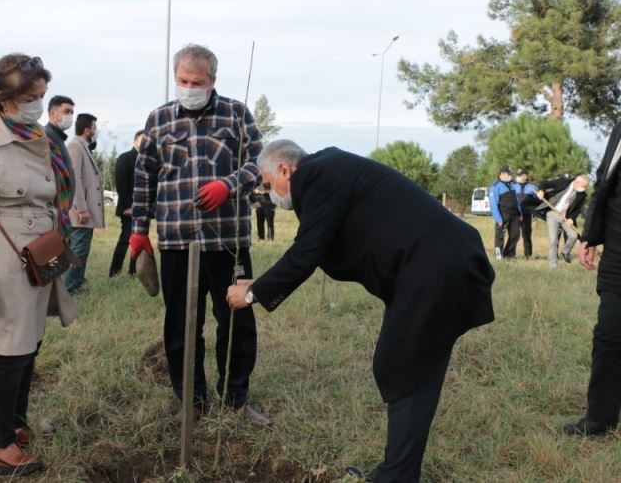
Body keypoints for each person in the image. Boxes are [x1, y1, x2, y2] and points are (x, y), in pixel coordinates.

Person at [226, 140, 495, 483]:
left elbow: (306, 253)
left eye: (267, 183)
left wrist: (251, 295)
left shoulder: (315, 176)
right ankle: (397, 473)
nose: (270, 193)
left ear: (284, 169)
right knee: (412, 370)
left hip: (435, 269)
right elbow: (319, 245)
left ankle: (396, 476)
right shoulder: (327, 170)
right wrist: (261, 283)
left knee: (402, 367)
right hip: (440, 265)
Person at [129, 44, 269, 426]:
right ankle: (191, 400)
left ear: (213, 81)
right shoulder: (158, 121)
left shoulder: (237, 115)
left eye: (198, 82)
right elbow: (144, 180)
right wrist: (138, 232)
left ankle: (236, 400)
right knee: (180, 325)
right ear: (175, 78)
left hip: (227, 242)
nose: (190, 87)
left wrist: (230, 184)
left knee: (237, 323)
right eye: (183, 81)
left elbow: (261, 163)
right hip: (177, 241)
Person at [0, 53, 77, 475]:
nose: (38, 104)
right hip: (7, 264)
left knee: (31, 343)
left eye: (41, 96)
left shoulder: (35, 135)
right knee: (12, 350)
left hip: (41, 256)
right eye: (30, 97)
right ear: (4, 99)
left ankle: (16, 425)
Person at [566, 124, 621, 436]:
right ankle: (600, 419)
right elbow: (605, 183)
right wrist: (591, 235)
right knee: (608, 335)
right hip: (617, 252)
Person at [64, 113, 105, 294]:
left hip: (85, 211)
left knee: (83, 249)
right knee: (79, 250)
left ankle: (78, 283)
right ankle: (68, 288)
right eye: (95, 128)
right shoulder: (75, 146)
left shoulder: (83, 146)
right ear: (87, 129)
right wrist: (81, 208)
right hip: (80, 212)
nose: (96, 131)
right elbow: (74, 180)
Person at [535, 174, 589, 268]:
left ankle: (565, 251)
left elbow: (577, 209)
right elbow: (544, 183)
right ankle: (553, 264)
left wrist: (571, 218)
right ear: (577, 182)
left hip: (565, 217)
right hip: (552, 213)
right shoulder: (563, 182)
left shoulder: (582, 195)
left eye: (585, 187)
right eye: (583, 186)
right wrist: (541, 191)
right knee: (553, 240)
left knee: (574, 235)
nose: (584, 189)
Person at [109, 130, 144, 277]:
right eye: (142, 140)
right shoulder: (125, 158)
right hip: (128, 208)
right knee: (125, 240)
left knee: (140, 241)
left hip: (143, 209)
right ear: (135, 142)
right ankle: (114, 272)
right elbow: (120, 184)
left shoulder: (147, 160)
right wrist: (127, 206)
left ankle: (133, 271)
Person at [44, 95, 76, 193]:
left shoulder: (58, 138)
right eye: (66, 112)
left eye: (72, 113)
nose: (70, 116)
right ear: (52, 113)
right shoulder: (45, 137)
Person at [489, 165, 521, 260]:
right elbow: (493, 204)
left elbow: (516, 201)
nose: (510, 175)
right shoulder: (495, 186)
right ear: (502, 174)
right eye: (508, 173)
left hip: (514, 215)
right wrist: (498, 218)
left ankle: (509, 254)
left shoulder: (511, 185)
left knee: (515, 235)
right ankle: (499, 256)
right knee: (500, 237)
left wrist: (520, 213)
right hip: (503, 215)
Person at [514, 168, 538, 259]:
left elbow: (536, 203)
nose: (519, 177)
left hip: (527, 214)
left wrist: (535, 217)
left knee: (527, 235)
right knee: (514, 235)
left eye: (521, 175)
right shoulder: (513, 186)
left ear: (526, 176)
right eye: (518, 175)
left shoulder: (533, 187)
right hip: (516, 214)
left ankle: (528, 254)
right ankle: (511, 254)